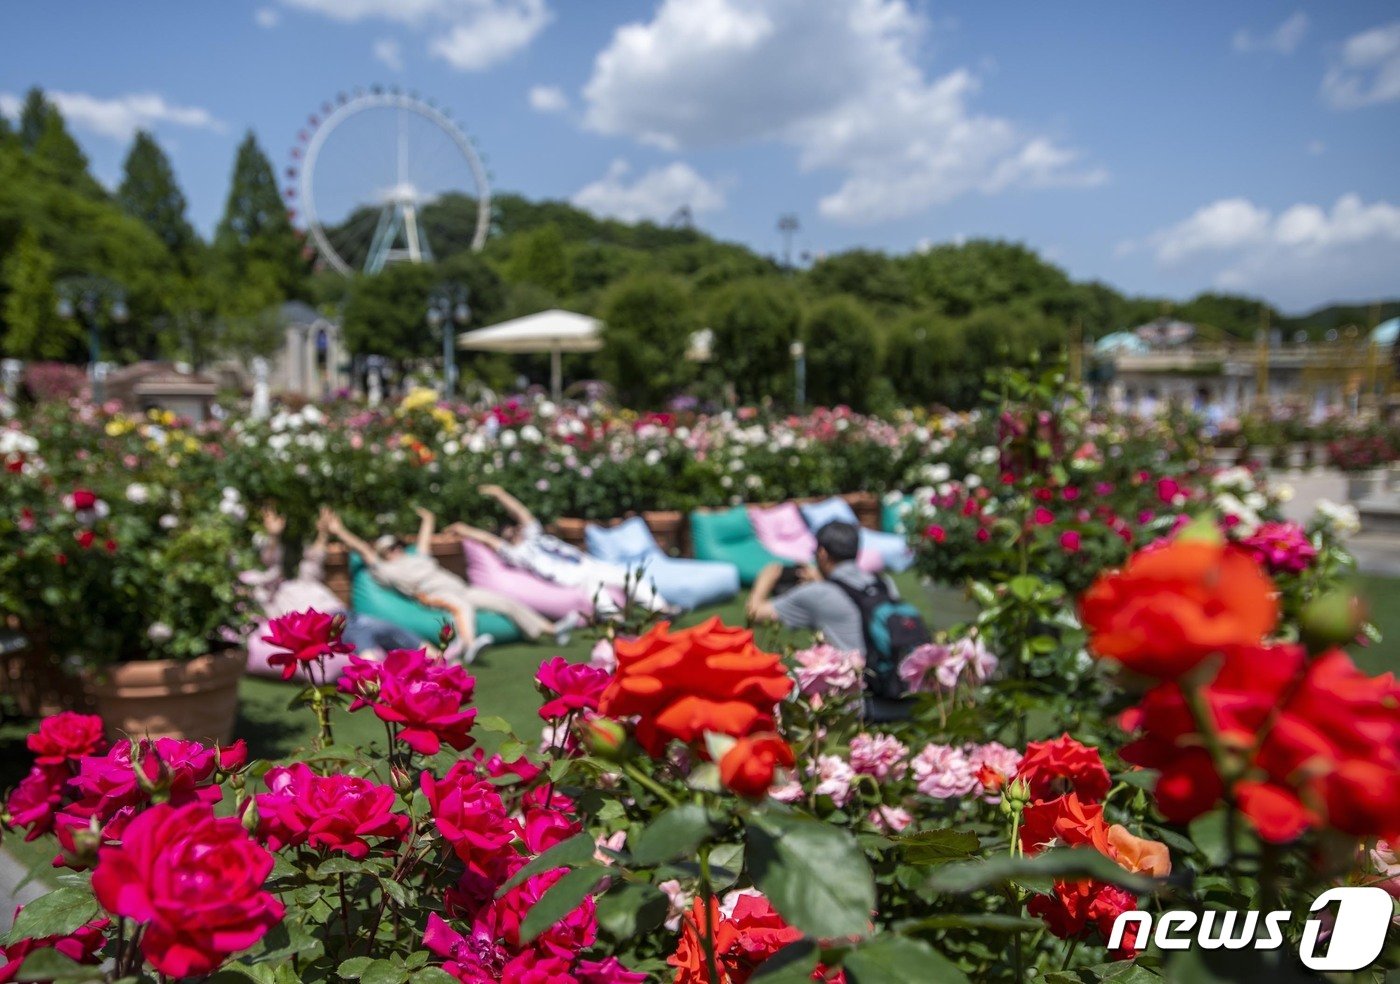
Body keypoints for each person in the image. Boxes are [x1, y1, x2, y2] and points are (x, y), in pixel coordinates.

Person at [326, 507, 577, 663]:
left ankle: (552, 630)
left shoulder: (417, 556)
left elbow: (425, 538)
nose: (397, 550)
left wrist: (428, 518)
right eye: (391, 548)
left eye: (399, 545)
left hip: (461, 587)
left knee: (505, 602)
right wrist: (339, 531)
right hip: (433, 594)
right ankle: (469, 646)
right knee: (461, 607)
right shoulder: (384, 569)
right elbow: (361, 549)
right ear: (383, 553)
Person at [747, 520, 917, 721]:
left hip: (859, 707)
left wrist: (766, 577)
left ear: (822, 553)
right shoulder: (883, 582)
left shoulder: (817, 594)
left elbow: (755, 612)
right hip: (903, 697)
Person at [443, 484, 672, 615]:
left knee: (627, 576)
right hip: (568, 576)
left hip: (585, 563)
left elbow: (521, 513)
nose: (516, 531)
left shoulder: (534, 536)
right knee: (595, 588)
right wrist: (463, 529)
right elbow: (487, 539)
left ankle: (662, 608)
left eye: (515, 528)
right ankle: (614, 622)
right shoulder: (516, 553)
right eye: (509, 532)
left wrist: (499, 494)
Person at [244, 506, 422, 667]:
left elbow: (315, 557)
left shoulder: (305, 580)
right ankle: (372, 672)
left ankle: (433, 658)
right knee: (359, 633)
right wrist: (274, 536)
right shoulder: (270, 590)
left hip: (348, 615)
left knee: (387, 627)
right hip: (323, 624)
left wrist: (323, 532)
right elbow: (270, 563)